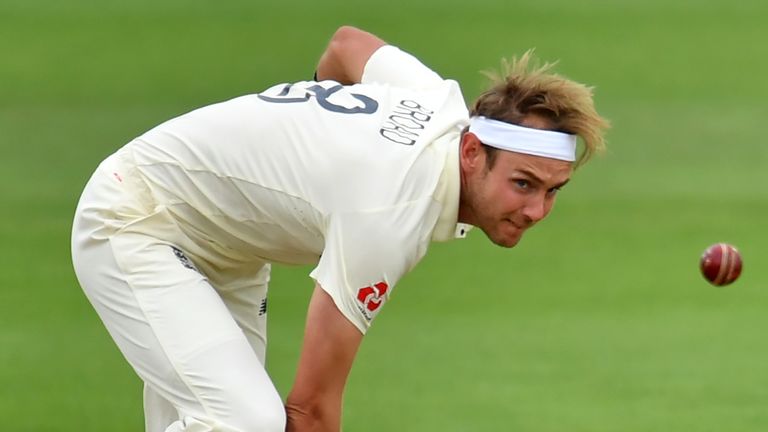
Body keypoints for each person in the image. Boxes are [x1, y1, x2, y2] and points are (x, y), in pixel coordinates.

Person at [71, 25, 608, 432]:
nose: (537, 211)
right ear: (471, 152)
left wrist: (318, 142)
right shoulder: (389, 212)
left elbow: (347, 44)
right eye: (522, 184)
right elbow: (311, 409)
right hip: (138, 217)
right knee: (246, 422)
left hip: (229, 249)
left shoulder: (437, 100)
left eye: (552, 190)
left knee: (215, 420)